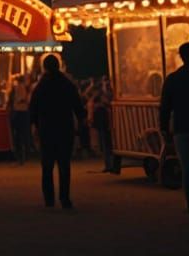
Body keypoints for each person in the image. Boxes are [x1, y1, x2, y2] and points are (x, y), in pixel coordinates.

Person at [28, 54, 85, 209]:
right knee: (64, 166)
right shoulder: (67, 84)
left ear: (44, 67)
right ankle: (65, 198)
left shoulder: (41, 86)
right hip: (64, 128)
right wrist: (81, 121)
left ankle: (49, 199)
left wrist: (33, 125)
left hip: (46, 129)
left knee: (47, 166)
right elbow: (78, 106)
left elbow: (33, 108)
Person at [160, 41, 189, 222]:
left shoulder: (173, 79)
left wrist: (164, 128)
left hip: (182, 128)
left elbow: (165, 106)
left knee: (187, 169)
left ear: (180, 56)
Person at [89, 78, 114, 173]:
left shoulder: (107, 96)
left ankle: (110, 165)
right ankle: (109, 165)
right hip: (102, 122)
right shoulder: (101, 96)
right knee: (105, 144)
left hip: (106, 122)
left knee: (107, 144)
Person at [7, 74, 31, 165]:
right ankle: (25, 156)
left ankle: (20, 157)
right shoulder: (25, 88)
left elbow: (12, 100)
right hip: (24, 112)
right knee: (24, 134)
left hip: (18, 112)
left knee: (18, 136)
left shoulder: (16, 89)